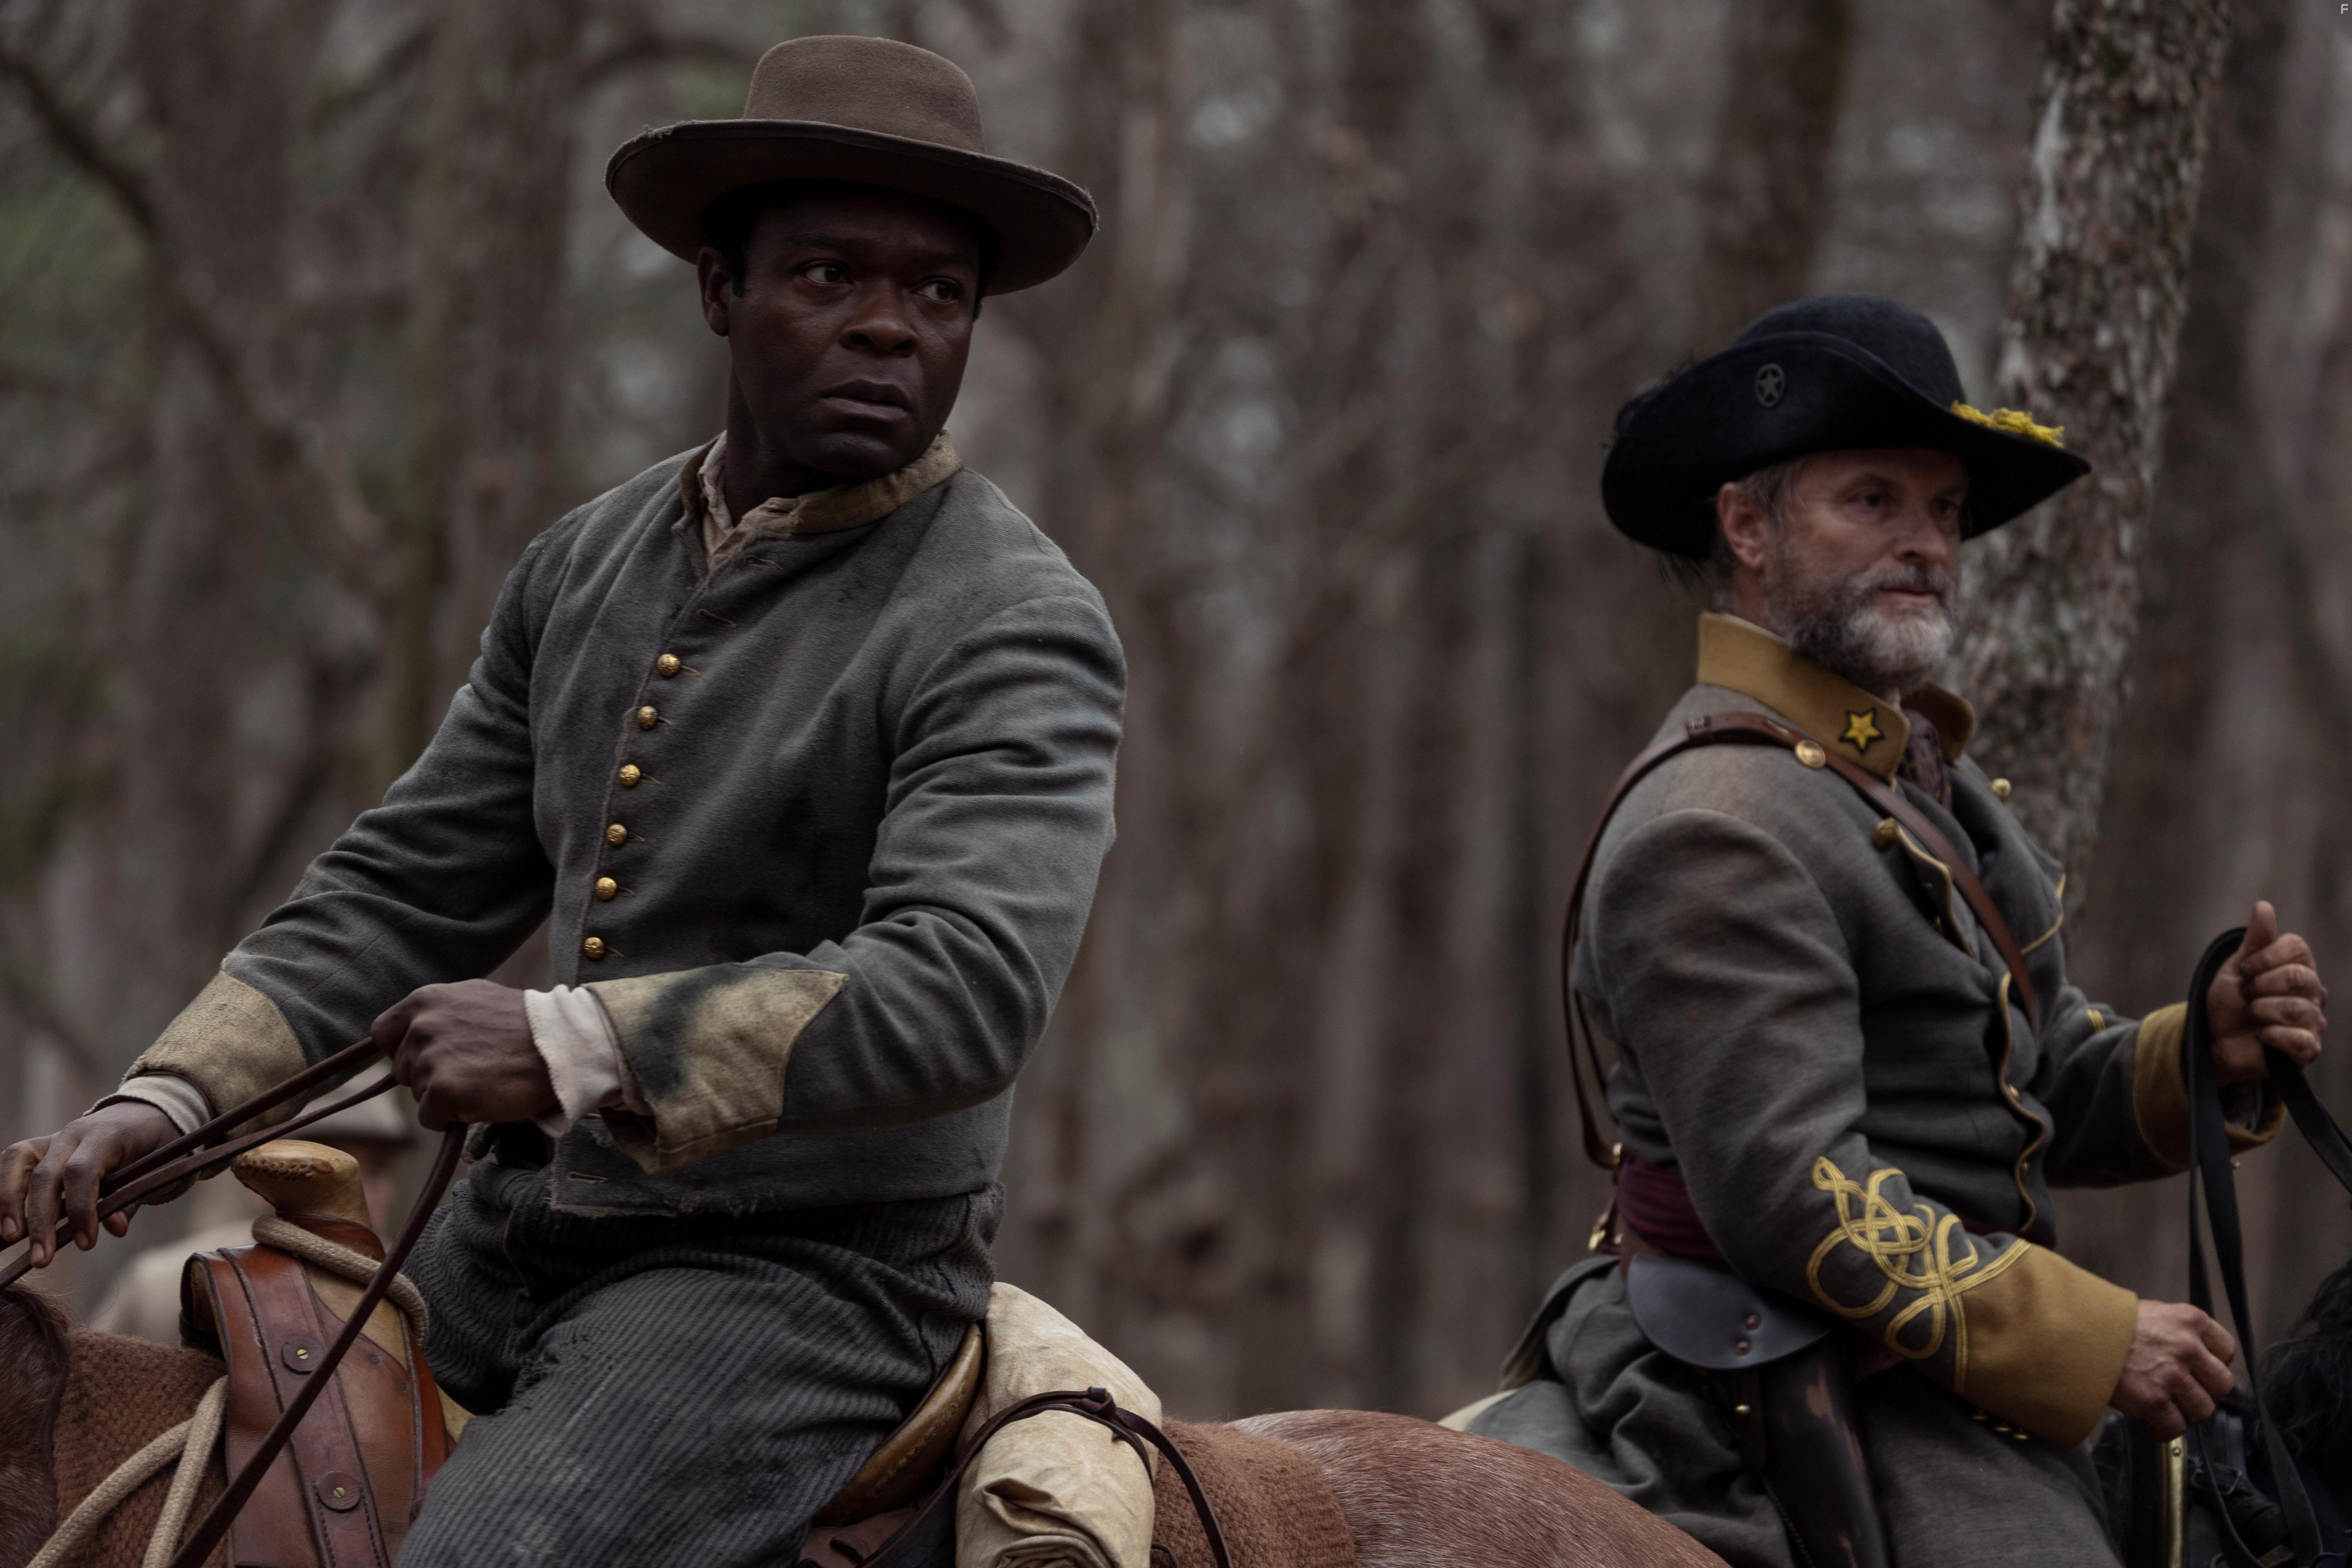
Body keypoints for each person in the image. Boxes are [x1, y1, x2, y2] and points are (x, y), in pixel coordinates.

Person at [2, 34, 1122, 1567]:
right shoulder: (586, 561)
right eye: (829, 277)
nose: (888, 328)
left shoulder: (1010, 614)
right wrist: (168, 1099)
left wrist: (561, 1040)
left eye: (938, 294)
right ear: (721, 288)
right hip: (522, 1235)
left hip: (806, 1278)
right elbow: (407, 881)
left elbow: (969, 986)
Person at [1466, 295, 2330, 1568]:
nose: (1926, 543)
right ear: (1747, 527)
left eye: (1944, 511)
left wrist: (2201, 1051)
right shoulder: (1716, 820)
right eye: (1873, 500)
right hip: (1773, 1358)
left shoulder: (1911, 773)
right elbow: (1796, 1198)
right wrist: (2097, 1341)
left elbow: (2020, 1092)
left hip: (1933, 1337)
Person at [84, 1072, 414, 1343]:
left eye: (375, 1171)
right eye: (326, 1169)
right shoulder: (164, 1289)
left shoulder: (417, 1296)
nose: (361, 1194)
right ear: (263, 1175)